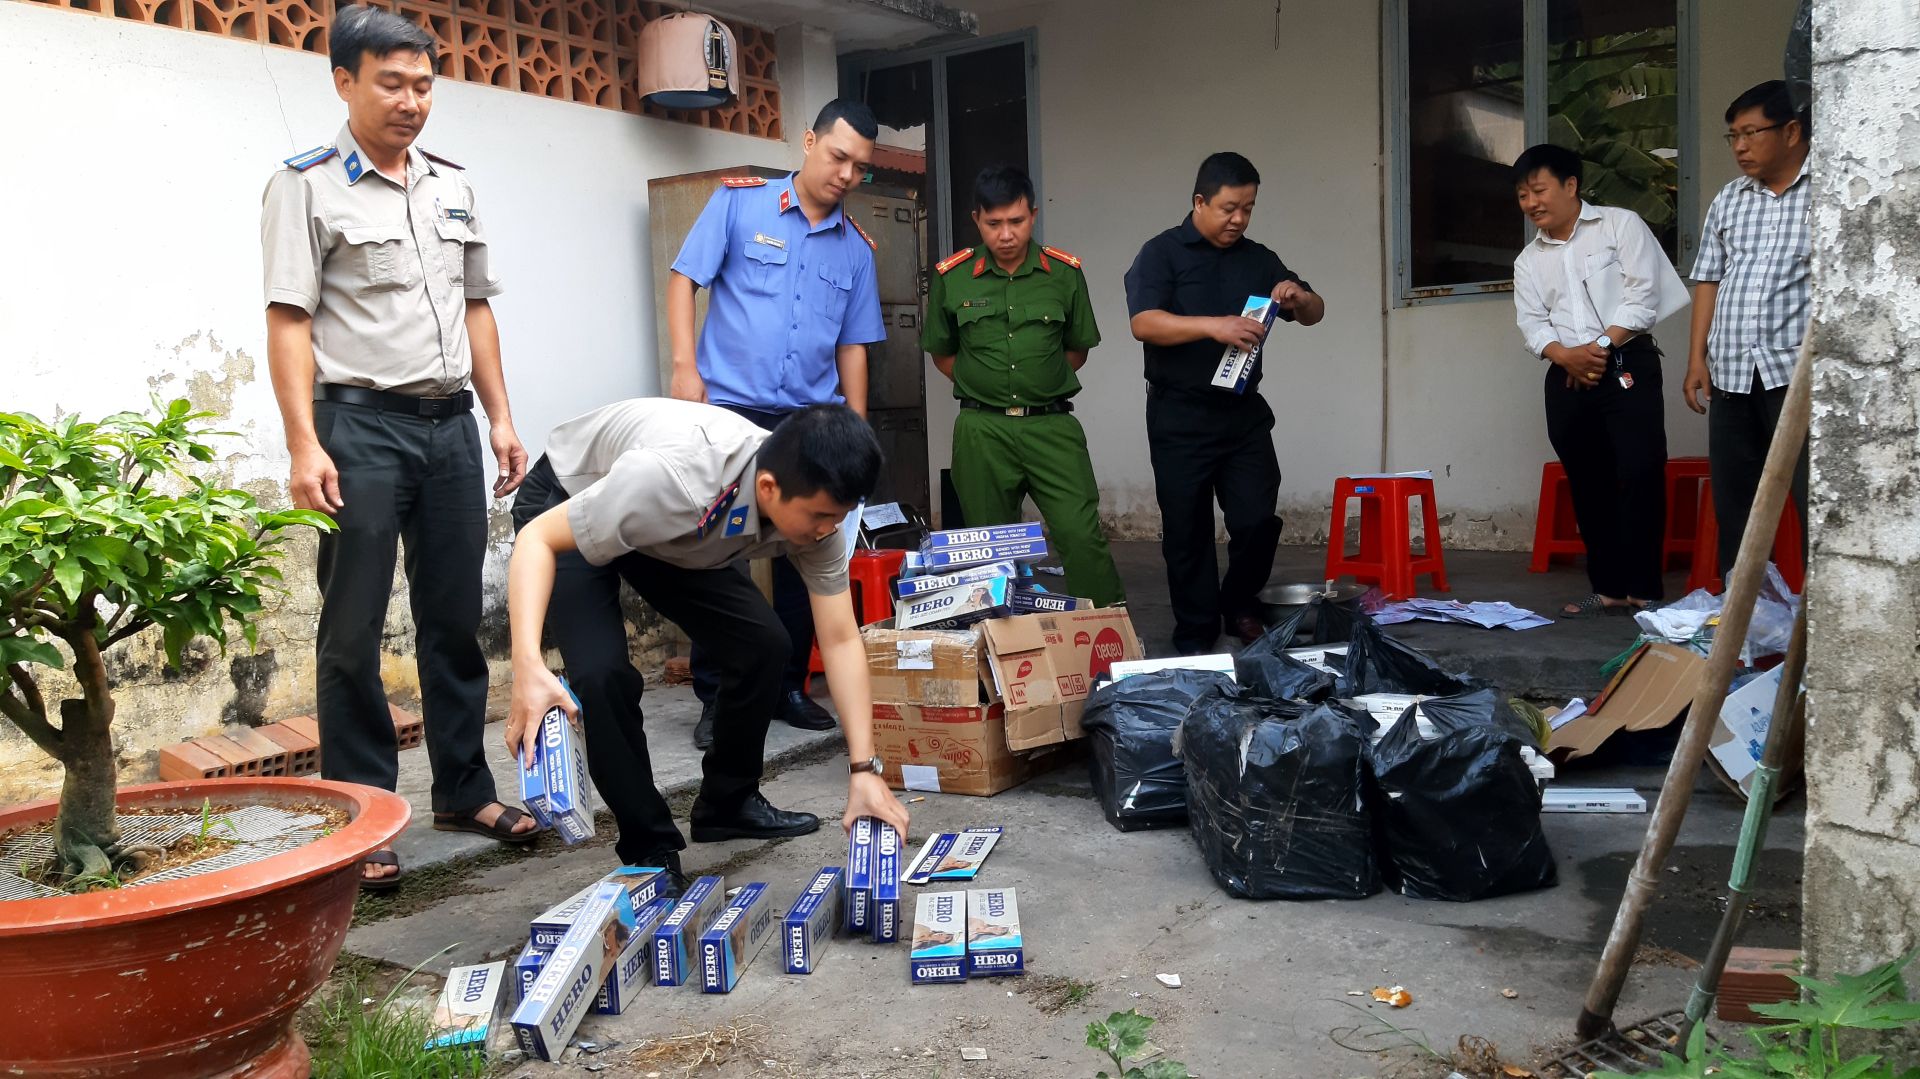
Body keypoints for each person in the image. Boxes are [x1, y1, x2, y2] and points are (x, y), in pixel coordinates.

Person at [260, 5, 538, 891]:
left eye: (423, 84)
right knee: (352, 628)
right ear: (344, 81)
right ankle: (364, 813)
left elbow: (477, 307)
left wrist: (500, 416)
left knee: (455, 618)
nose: (411, 101)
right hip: (360, 426)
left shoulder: (452, 185)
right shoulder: (305, 186)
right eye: (392, 83)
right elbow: (288, 319)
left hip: (451, 426)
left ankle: (463, 789)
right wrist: (303, 443)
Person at [505, 401, 911, 877]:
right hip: (567, 504)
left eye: (838, 517)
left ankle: (727, 804)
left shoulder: (816, 515)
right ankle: (649, 847)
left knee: (762, 646)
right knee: (601, 676)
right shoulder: (675, 481)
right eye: (821, 516)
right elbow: (536, 539)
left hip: (666, 527)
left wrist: (864, 770)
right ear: (768, 488)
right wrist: (526, 667)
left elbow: (840, 638)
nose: (829, 530)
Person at [665, 98, 887, 750]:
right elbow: (684, 280)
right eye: (838, 156)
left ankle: (788, 685)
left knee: (805, 551)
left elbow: (853, 345)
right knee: (716, 552)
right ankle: (718, 694)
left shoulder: (857, 250)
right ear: (809, 141)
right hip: (729, 410)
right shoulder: (739, 204)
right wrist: (684, 368)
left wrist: (856, 429)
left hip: (809, 419)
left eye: (860, 167)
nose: (846, 175)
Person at [1124, 152, 1325, 654]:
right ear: (1200, 202)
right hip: (1179, 414)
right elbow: (1143, 322)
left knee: (1257, 519)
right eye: (1229, 208)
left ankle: (1239, 606)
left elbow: (1314, 312)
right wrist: (1213, 326)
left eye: (1248, 209)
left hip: (1242, 415)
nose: (1239, 219)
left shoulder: (1258, 259)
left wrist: (1300, 297)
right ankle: (1195, 632)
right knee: (1186, 531)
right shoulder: (1162, 253)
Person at [921, 165, 1124, 608]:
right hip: (982, 431)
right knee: (990, 547)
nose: (1006, 234)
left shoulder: (1063, 274)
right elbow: (942, 353)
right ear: (976, 220)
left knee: (1080, 534)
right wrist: (986, 385)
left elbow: (1076, 349)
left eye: (1016, 221)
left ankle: (1106, 631)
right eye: (993, 223)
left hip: (1051, 426)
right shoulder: (952, 277)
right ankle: (1001, 639)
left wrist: (1037, 382)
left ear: (1033, 215)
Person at [1511, 143, 1683, 616]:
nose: (1531, 203)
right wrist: (1565, 356)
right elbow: (1532, 323)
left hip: (1626, 361)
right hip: (1566, 374)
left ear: (1571, 185)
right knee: (1588, 481)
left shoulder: (1620, 225)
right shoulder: (1528, 260)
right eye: (1523, 195)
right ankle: (1607, 588)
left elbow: (1643, 296)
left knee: (1640, 472)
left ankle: (1644, 589)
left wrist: (1599, 347)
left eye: (1539, 190)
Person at [1685, 80, 1812, 578]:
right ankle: (1743, 610)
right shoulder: (1730, 199)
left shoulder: (1830, 192)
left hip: (1796, 375)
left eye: (1750, 133)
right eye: (1733, 136)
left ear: (1792, 132)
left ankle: (1817, 614)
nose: (1739, 146)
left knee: (1812, 498)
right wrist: (1697, 359)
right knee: (1735, 503)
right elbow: (1709, 280)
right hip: (1732, 373)